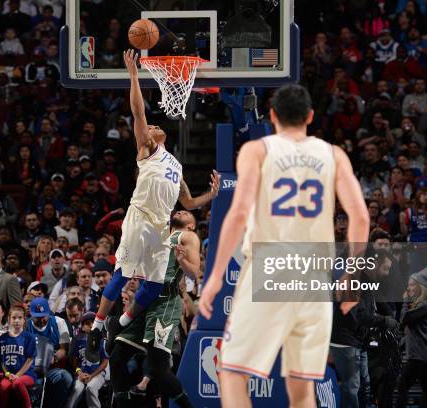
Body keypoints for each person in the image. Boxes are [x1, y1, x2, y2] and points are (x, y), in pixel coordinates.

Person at [199, 84, 370, 408]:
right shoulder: (334, 155)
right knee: (302, 387)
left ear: (273, 116)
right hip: (315, 277)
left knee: (232, 374)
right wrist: (349, 277)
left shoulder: (257, 150)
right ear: (310, 116)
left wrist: (216, 276)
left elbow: (237, 214)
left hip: (270, 267)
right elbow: (360, 217)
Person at [89, 49, 220, 349]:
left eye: (155, 126)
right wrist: (134, 75)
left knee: (155, 284)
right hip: (140, 218)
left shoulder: (175, 164)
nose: (154, 126)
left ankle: (119, 324)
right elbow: (138, 112)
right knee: (123, 273)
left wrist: (210, 195)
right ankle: (97, 327)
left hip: (161, 226)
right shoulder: (147, 149)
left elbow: (187, 204)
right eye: (150, 127)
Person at [110, 209, 201, 408]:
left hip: (164, 304)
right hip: (144, 301)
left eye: (187, 213)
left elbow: (194, 273)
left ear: (191, 225)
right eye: (180, 209)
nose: (182, 210)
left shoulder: (187, 236)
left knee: (159, 370)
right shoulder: (160, 235)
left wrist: (182, 260)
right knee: (116, 356)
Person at [395, 268, 427, 407]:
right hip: (422, 356)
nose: (408, 288)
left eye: (412, 285)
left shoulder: (423, 305)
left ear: (421, 287)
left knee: (402, 388)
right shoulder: (424, 305)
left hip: (418, 356)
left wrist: (405, 302)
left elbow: (403, 319)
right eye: (408, 285)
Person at [65, 312, 108, 408]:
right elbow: (74, 361)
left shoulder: (101, 340)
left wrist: (92, 376)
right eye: (87, 323)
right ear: (83, 327)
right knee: (77, 389)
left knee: (91, 387)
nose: (92, 325)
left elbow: (105, 362)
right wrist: (79, 372)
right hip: (81, 373)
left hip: (97, 374)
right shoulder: (77, 340)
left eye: (93, 322)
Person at [0, 304, 36, 408]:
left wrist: (18, 375)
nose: (17, 320)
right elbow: (1, 361)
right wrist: (8, 374)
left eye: (20, 318)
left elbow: (29, 360)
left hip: (26, 374)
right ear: (9, 319)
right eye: (14, 317)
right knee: (3, 387)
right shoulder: (2, 338)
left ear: (24, 320)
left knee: (17, 383)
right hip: (9, 375)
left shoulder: (29, 337)